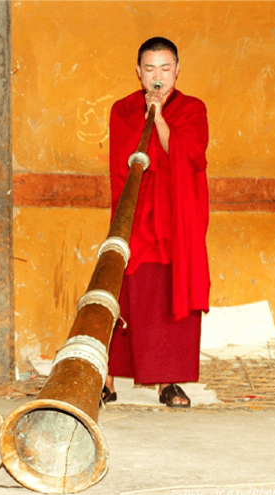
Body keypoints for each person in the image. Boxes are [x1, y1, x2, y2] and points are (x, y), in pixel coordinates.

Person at [104, 37, 209, 408]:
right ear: (138, 72)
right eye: (150, 69)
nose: (158, 77)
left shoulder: (193, 109)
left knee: (170, 293)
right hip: (136, 214)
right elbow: (124, 165)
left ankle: (169, 382)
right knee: (125, 291)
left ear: (177, 71)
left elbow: (189, 155)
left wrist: (160, 117)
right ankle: (107, 380)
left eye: (165, 69)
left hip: (177, 218)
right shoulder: (123, 110)